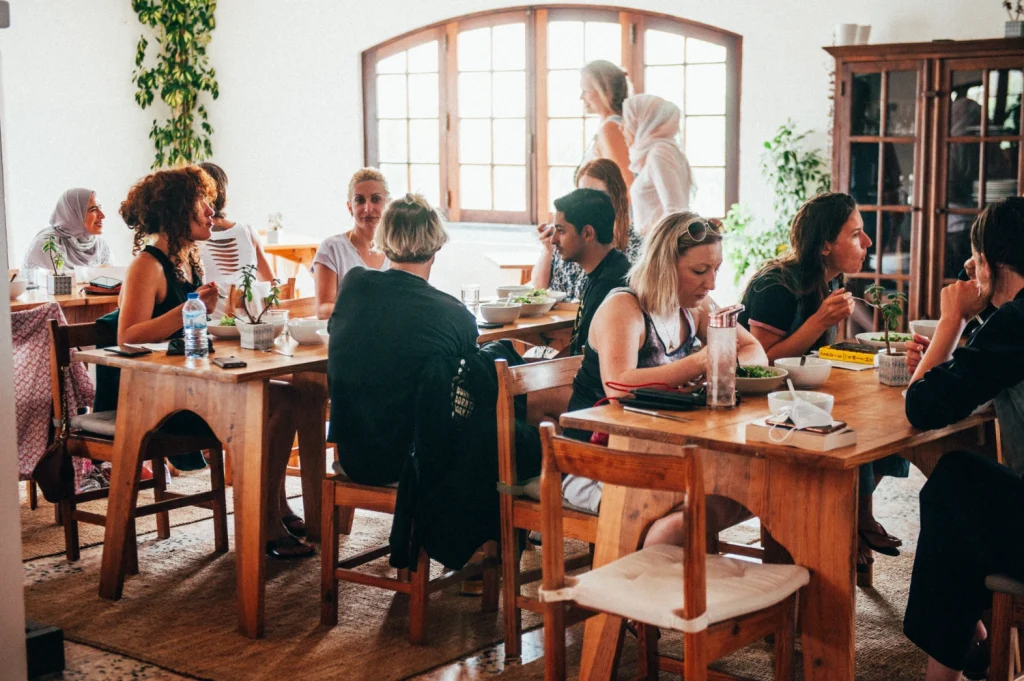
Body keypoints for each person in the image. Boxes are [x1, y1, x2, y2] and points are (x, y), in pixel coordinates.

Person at [105, 166, 314, 559]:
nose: (210, 209)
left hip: (191, 385)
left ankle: (273, 510)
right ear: (178, 208)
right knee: (279, 403)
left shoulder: (189, 261)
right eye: (201, 201)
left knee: (290, 398)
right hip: (160, 400)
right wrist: (191, 305)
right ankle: (268, 520)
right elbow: (128, 335)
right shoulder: (147, 265)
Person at [562, 212, 766, 541]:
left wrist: (715, 367)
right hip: (597, 460)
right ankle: (647, 578)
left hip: (660, 450)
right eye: (700, 271)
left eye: (716, 270)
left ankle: (682, 572)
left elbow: (754, 350)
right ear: (664, 266)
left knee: (763, 483)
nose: (711, 283)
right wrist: (700, 362)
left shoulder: (696, 305)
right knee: (702, 509)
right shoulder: (624, 308)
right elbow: (618, 388)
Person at [739, 192, 907, 572]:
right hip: (763, 405)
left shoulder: (828, 282)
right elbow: (759, 362)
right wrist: (819, 321)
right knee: (854, 426)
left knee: (894, 426)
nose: (867, 243)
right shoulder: (776, 284)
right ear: (826, 244)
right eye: (856, 235)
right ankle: (852, 522)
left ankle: (854, 516)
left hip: (805, 394)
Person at [902, 198, 1024, 681]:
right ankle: (967, 637)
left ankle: (951, 661)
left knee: (953, 481)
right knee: (965, 482)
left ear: (990, 263)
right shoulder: (1012, 323)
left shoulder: (1017, 321)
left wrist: (950, 320)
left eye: (974, 258)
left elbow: (922, 407)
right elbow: (988, 374)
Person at [326, 193, 478, 486]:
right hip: (418, 464)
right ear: (436, 247)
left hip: (354, 457)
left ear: (383, 242)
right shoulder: (455, 314)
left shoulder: (354, 284)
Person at [532, 159, 641, 300]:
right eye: (581, 194)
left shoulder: (637, 247)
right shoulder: (566, 239)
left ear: (615, 199)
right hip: (558, 320)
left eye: (596, 195)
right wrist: (547, 249)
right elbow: (538, 291)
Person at [545, 188, 631, 357]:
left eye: (561, 230)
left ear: (587, 233)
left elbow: (585, 359)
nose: (553, 239)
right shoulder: (606, 269)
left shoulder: (609, 285)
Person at [313, 168, 390, 319]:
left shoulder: (398, 249)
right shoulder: (331, 248)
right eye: (360, 200)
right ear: (350, 208)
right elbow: (323, 310)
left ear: (387, 203)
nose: (368, 208)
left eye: (376, 199)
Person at [622, 94, 695, 236]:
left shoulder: (659, 154)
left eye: (626, 120)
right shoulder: (661, 152)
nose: (621, 127)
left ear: (643, 122)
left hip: (658, 248)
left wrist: (645, 238)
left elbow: (675, 212)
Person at [195, 162, 276, 287]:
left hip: (210, 306)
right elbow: (271, 284)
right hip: (249, 305)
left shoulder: (193, 238)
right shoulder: (248, 232)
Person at [23, 188, 113, 271]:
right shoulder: (48, 244)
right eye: (93, 209)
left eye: (100, 207)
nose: (102, 215)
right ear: (73, 214)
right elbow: (50, 284)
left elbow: (114, 281)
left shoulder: (99, 245)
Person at [579, 60, 633, 188]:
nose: (581, 97)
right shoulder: (609, 127)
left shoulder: (611, 129)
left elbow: (626, 186)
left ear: (605, 92)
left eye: (585, 90)